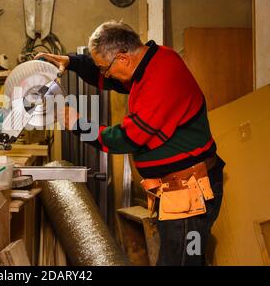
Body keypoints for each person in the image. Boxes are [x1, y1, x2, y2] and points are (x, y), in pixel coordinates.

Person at [35, 20, 225, 266]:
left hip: (189, 190)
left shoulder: (159, 80)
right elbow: (114, 79)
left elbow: (126, 139)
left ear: (123, 58)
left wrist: (78, 123)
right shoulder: (153, 59)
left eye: (105, 68)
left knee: (179, 262)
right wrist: (71, 62)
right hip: (179, 186)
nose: (105, 75)